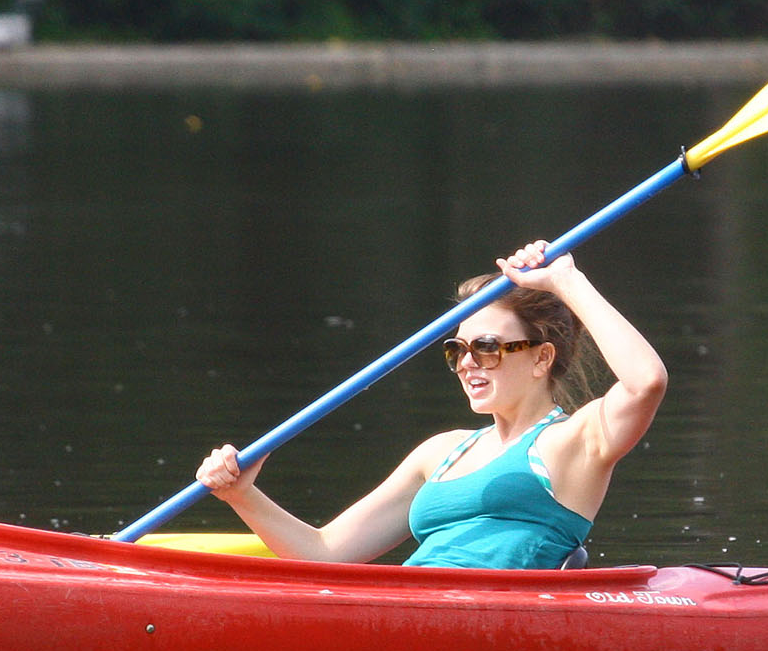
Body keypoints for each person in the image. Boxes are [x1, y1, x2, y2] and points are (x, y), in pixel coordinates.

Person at [194, 241, 665, 568]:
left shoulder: (573, 440)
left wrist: (566, 281)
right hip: (413, 603)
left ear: (542, 358)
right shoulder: (440, 452)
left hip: (484, 620)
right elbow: (325, 551)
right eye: (457, 350)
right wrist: (241, 495)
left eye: (487, 347)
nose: (467, 363)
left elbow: (646, 383)